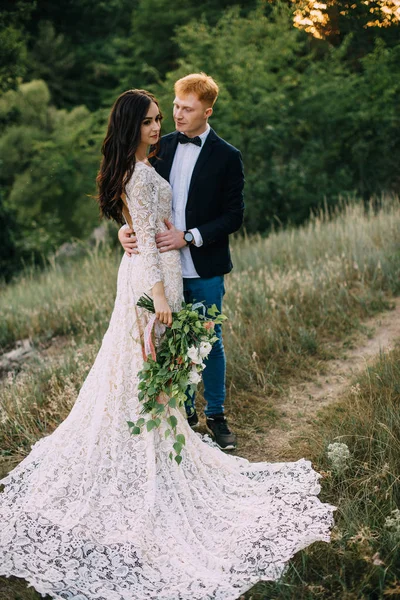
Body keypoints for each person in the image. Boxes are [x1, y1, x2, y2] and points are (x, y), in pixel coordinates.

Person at [0, 89, 334, 600]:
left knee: (185, 355)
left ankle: (208, 420)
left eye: (173, 114)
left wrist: (170, 238)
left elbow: (226, 214)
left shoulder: (216, 156)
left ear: (205, 111)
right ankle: (148, 455)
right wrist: (142, 266)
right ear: (139, 125)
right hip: (153, 281)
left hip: (188, 266)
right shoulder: (152, 160)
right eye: (157, 117)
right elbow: (132, 212)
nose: (166, 123)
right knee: (147, 368)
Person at [118, 73, 243, 450]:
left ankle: (217, 416)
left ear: (207, 111)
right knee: (170, 343)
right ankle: (184, 416)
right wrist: (123, 231)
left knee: (209, 341)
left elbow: (233, 215)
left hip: (203, 266)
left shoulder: (227, 156)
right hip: (161, 271)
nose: (176, 115)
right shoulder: (160, 145)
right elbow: (134, 199)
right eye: (175, 106)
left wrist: (189, 236)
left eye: (186, 109)